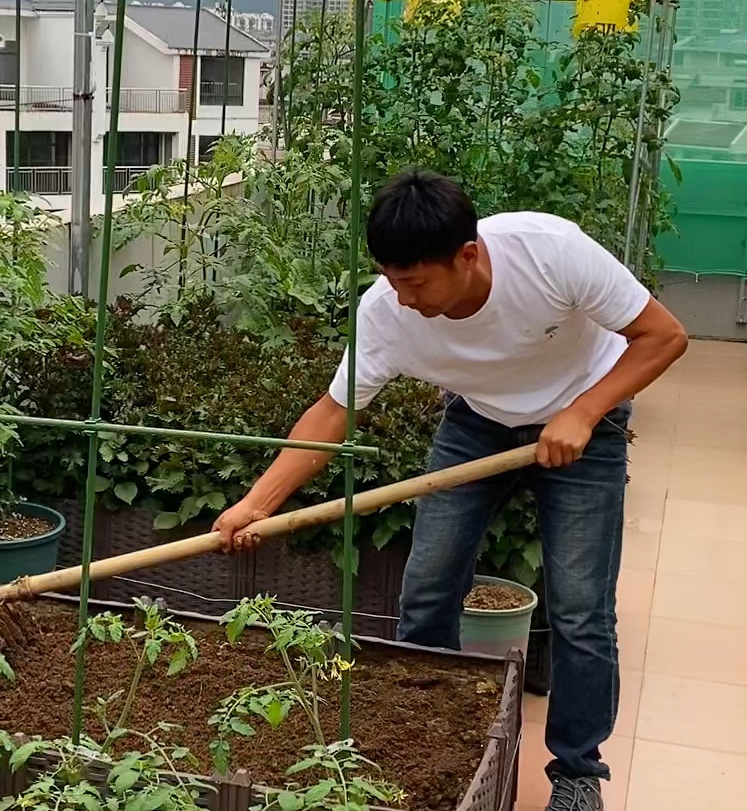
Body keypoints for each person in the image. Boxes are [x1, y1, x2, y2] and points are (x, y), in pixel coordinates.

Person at [212, 169, 688, 811]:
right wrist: (256, 503)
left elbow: (664, 335)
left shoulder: (549, 251)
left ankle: (577, 775)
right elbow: (333, 412)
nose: (402, 297)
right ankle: (432, 738)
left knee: (580, 608)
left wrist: (582, 412)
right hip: (478, 423)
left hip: (586, 416)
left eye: (415, 281)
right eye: (391, 279)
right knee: (428, 586)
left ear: (467, 256)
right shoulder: (386, 311)